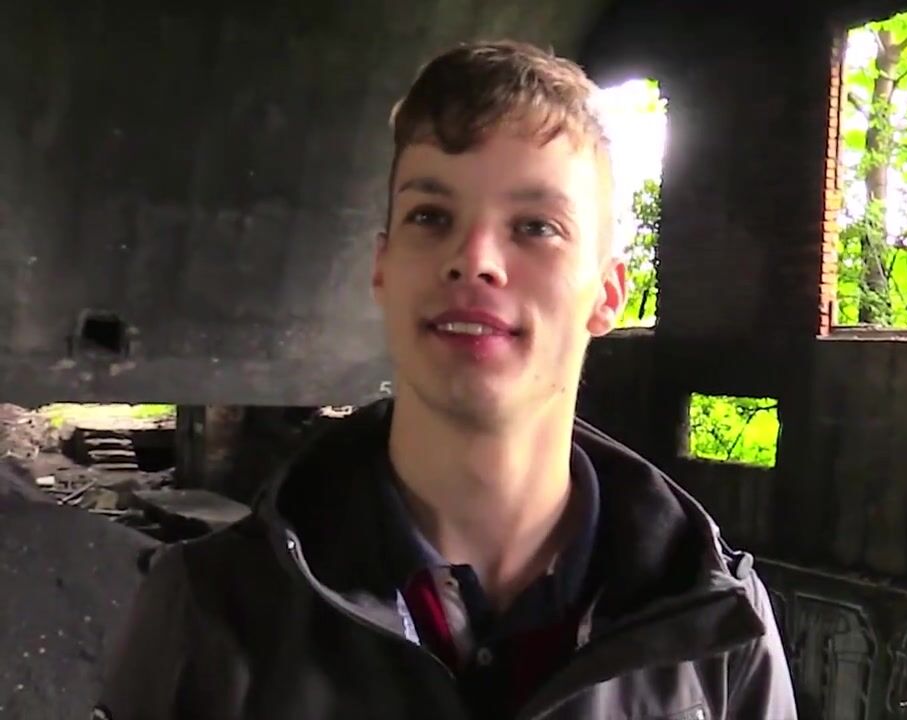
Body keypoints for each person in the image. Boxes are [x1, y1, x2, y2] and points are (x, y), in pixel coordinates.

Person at [97, 40, 797, 720]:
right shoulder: (209, 609)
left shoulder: (719, 631)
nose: (474, 258)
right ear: (382, 268)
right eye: (430, 216)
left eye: (536, 226)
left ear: (607, 294)